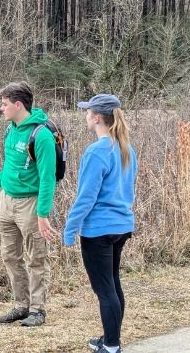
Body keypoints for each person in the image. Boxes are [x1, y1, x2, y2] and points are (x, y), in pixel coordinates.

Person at [0, 81, 58, 327]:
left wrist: (43, 213)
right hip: (6, 201)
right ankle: (21, 306)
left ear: (18, 105)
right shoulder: (11, 129)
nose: (1, 109)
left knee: (35, 258)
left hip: (30, 205)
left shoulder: (41, 135)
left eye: (4, 104)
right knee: (10, 256)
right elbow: (11, 166)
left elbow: (47, 178)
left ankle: (37, 310)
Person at [63, 94, 137, 353]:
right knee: (113, 284)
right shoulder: (126, 148)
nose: (85, 115)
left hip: (99, 230)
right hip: (121, 226)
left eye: (87, 111)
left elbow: (86, 196)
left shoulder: (97, 151)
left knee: (105, 289)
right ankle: (109, 338)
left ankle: (112, 346)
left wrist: (70, 230)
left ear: (96, 118)